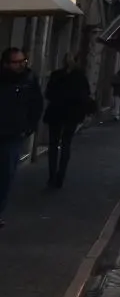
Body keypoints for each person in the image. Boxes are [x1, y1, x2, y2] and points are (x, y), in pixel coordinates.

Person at [0, 48, 42, 225]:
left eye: (22, 61)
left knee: (6, 175)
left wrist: (28, 128)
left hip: (13, 135)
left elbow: (36, 105)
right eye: (16, 62)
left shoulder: (29, 80)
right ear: (6, 64)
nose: (20, 65)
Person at [42, 54, 92, 190]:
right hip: (72, 115)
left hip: (56, 113)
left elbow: (48, 94)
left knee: (53, 145)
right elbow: (85, 96)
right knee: (66, 144)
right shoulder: (80, 77)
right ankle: (60, 176)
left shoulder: (56, 75)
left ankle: (52, 176)